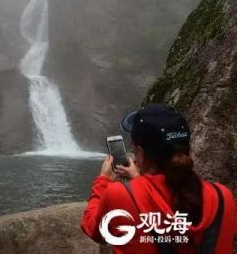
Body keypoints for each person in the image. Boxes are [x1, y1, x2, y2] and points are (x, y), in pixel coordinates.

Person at [81, 103, 235, 254]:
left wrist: (103, 181)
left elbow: (92, 228)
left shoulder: (120, 194)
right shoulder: (223, 197)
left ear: (140, 153)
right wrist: (138, 179)